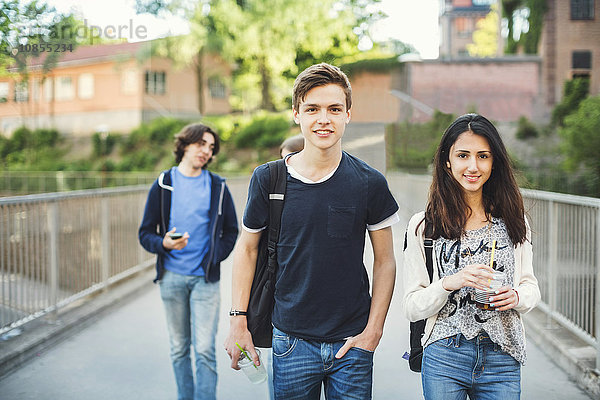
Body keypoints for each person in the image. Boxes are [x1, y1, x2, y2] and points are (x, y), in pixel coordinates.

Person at [224, 63, 399, 400]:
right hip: (290, 341)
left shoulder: (369, 182)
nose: (324, 119)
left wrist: (373, 330)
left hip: (352, 344)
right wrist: (238, 322)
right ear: (296, 114)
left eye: (334, 109)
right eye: (312, 109)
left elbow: (385, 261)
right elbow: (246, 251)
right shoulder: (268, 179)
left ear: (348, 114)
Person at [402, 113, 541, 399]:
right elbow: (412, 307)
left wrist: (516, 297)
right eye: (463, 155)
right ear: (447, 161)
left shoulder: (514, 221)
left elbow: (531, 288)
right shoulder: (423, 226)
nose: (473, 166)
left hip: (502, 356)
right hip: (444, 354)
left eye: (483, 156)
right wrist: (449, 283)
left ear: (494, 162)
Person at [138, 123, 238, 400]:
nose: (206, 151)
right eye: (201, 144)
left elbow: (232, 230)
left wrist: (214, 257)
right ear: (184, 144)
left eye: (211, 147)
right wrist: (164, 244)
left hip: (205, 280)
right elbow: (145, 234)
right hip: (171, 278)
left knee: (204, 349)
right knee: (179, 348)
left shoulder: (217, 186)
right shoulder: (163, 183)